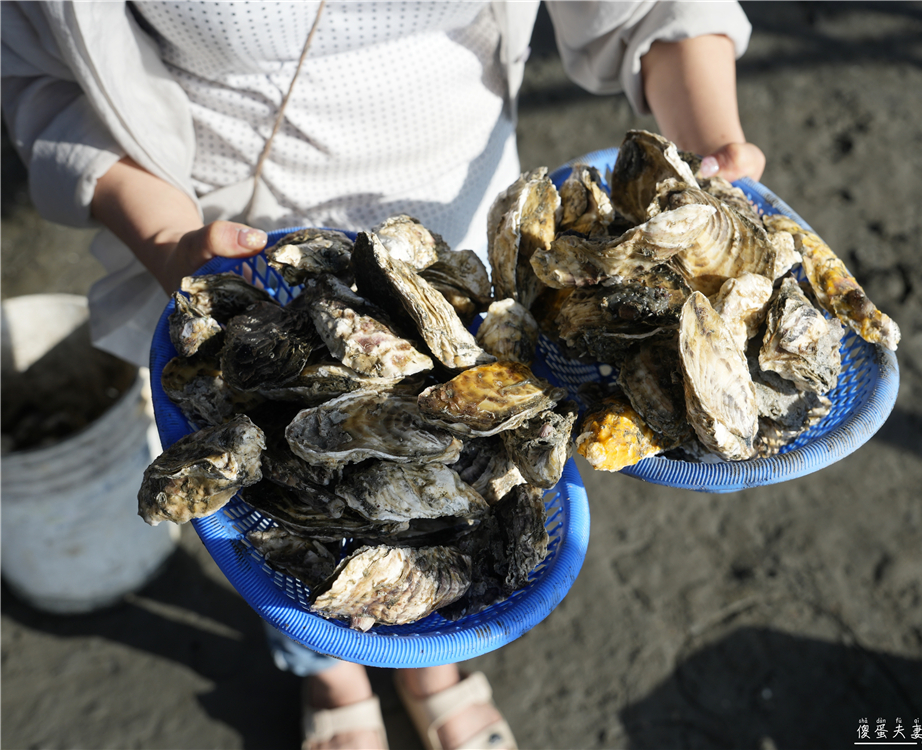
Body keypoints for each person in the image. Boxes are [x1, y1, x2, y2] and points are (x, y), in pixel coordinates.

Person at [2, 2, 764, 749]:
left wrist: (711, 151)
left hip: (461, 275)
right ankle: (327, 669)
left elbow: (660, 10)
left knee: (466, 501)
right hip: (242, 268)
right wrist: (168, 238)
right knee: (288, 530)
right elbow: (41, 71)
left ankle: (430, 659)